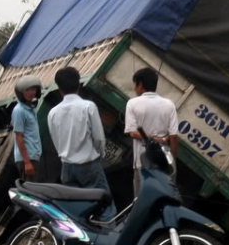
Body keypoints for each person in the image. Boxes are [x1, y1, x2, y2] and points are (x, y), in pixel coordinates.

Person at [47, 66, 116, 221]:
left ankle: (76, 241)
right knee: (104, 205)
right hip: (88, 165)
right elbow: (99, 137)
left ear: (59, 89)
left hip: (67, 167)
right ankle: (108, 239)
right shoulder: (88, 107)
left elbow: (56, 141)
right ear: (79, 84)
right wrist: (100, 153)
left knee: (74, 209)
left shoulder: (53, 113)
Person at [125, 67, 179, 197]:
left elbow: (132, 133)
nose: (134, 88)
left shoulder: (132, 103)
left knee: (141, 200)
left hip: (141, 162)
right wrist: (171, 160)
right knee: (164, 198)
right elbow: (174, 137)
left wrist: (152, 139)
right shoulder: (169, 104)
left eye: (135, 84)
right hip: (164, 160)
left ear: (141, 84)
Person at [12, 75, 43, 182]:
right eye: (27, 90)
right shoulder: (19, 111)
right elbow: (19, 137)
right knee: (31, 194)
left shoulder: (30, 109)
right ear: (21, 93)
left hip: (33, 156)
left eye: (33, 89)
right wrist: (27, 162)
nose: (31, 92)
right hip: (27, 158)